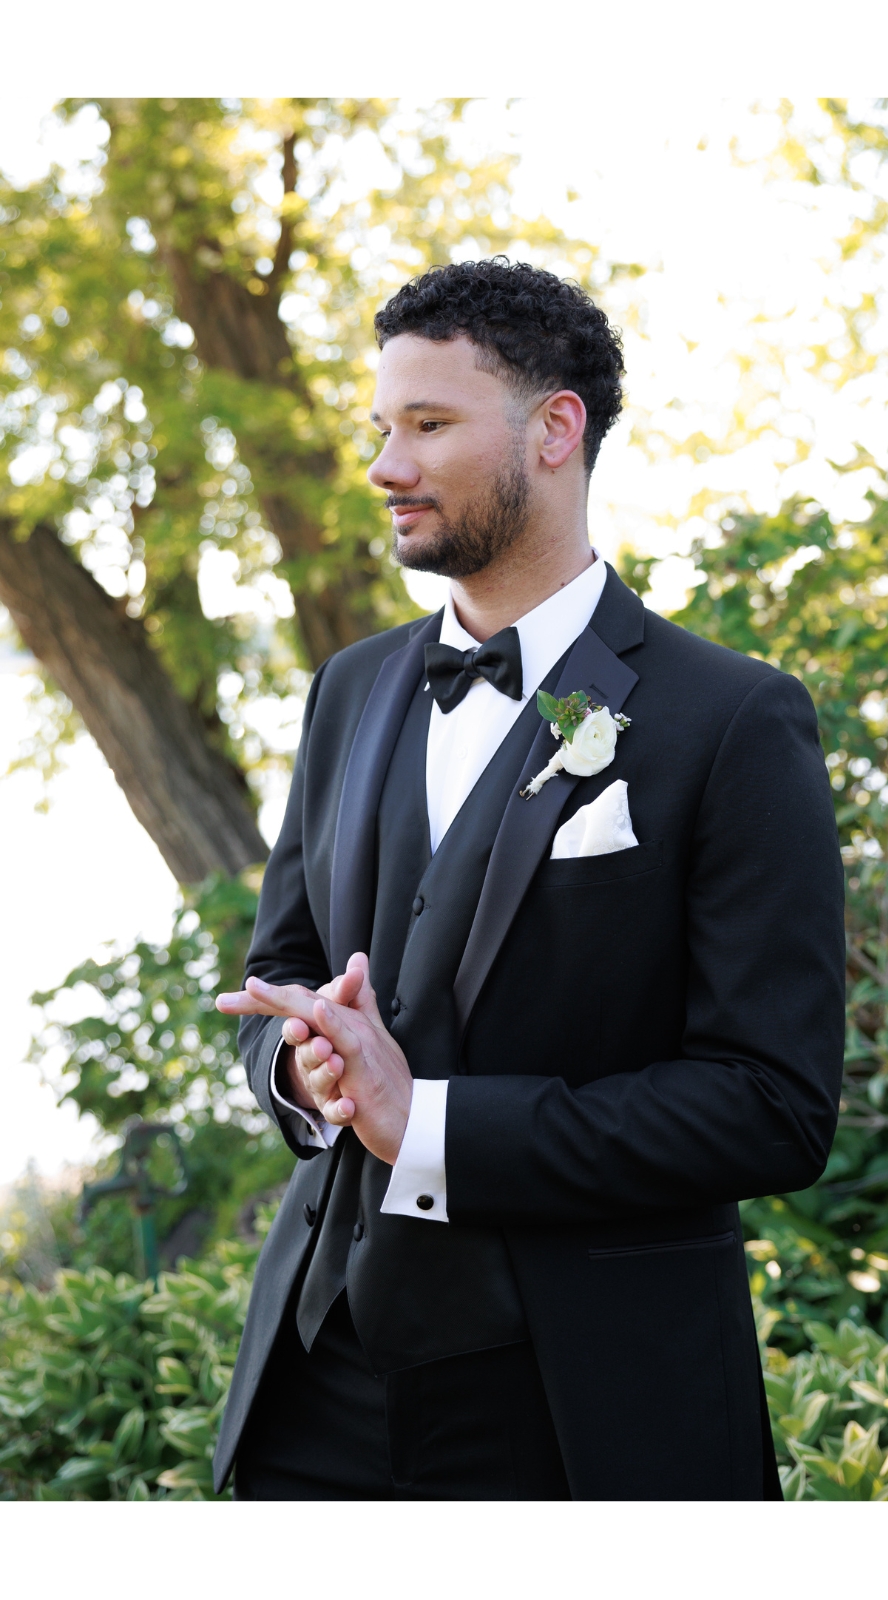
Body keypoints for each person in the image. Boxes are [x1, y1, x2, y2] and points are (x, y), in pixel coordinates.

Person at [212, 258, 846, 1499]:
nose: (386, 466)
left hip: (579, 1407)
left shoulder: (732, 719)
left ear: (555, 429)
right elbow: (277, 971)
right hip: (313, 1382)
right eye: (380, 428)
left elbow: (772, 1102)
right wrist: (299, 1064)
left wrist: (431, 1125)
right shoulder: (349, 688)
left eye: (429, 425)